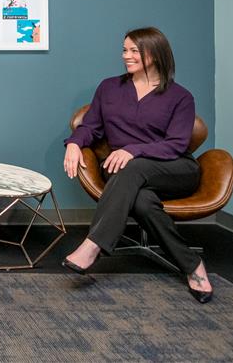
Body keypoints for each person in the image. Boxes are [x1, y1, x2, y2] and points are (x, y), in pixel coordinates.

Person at [62, 27, 214, 303]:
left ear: (154, 54)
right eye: (124, 50)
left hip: (174, 169)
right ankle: (192, 265)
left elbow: (177, 145)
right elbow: (91, 127)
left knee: (132, 166)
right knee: (142, 202)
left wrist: (133, 151)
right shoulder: (109, 88)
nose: (126, 56)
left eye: (134, 50)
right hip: (124, 173)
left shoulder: (180, 97)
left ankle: (93, 244)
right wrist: (74, 142)